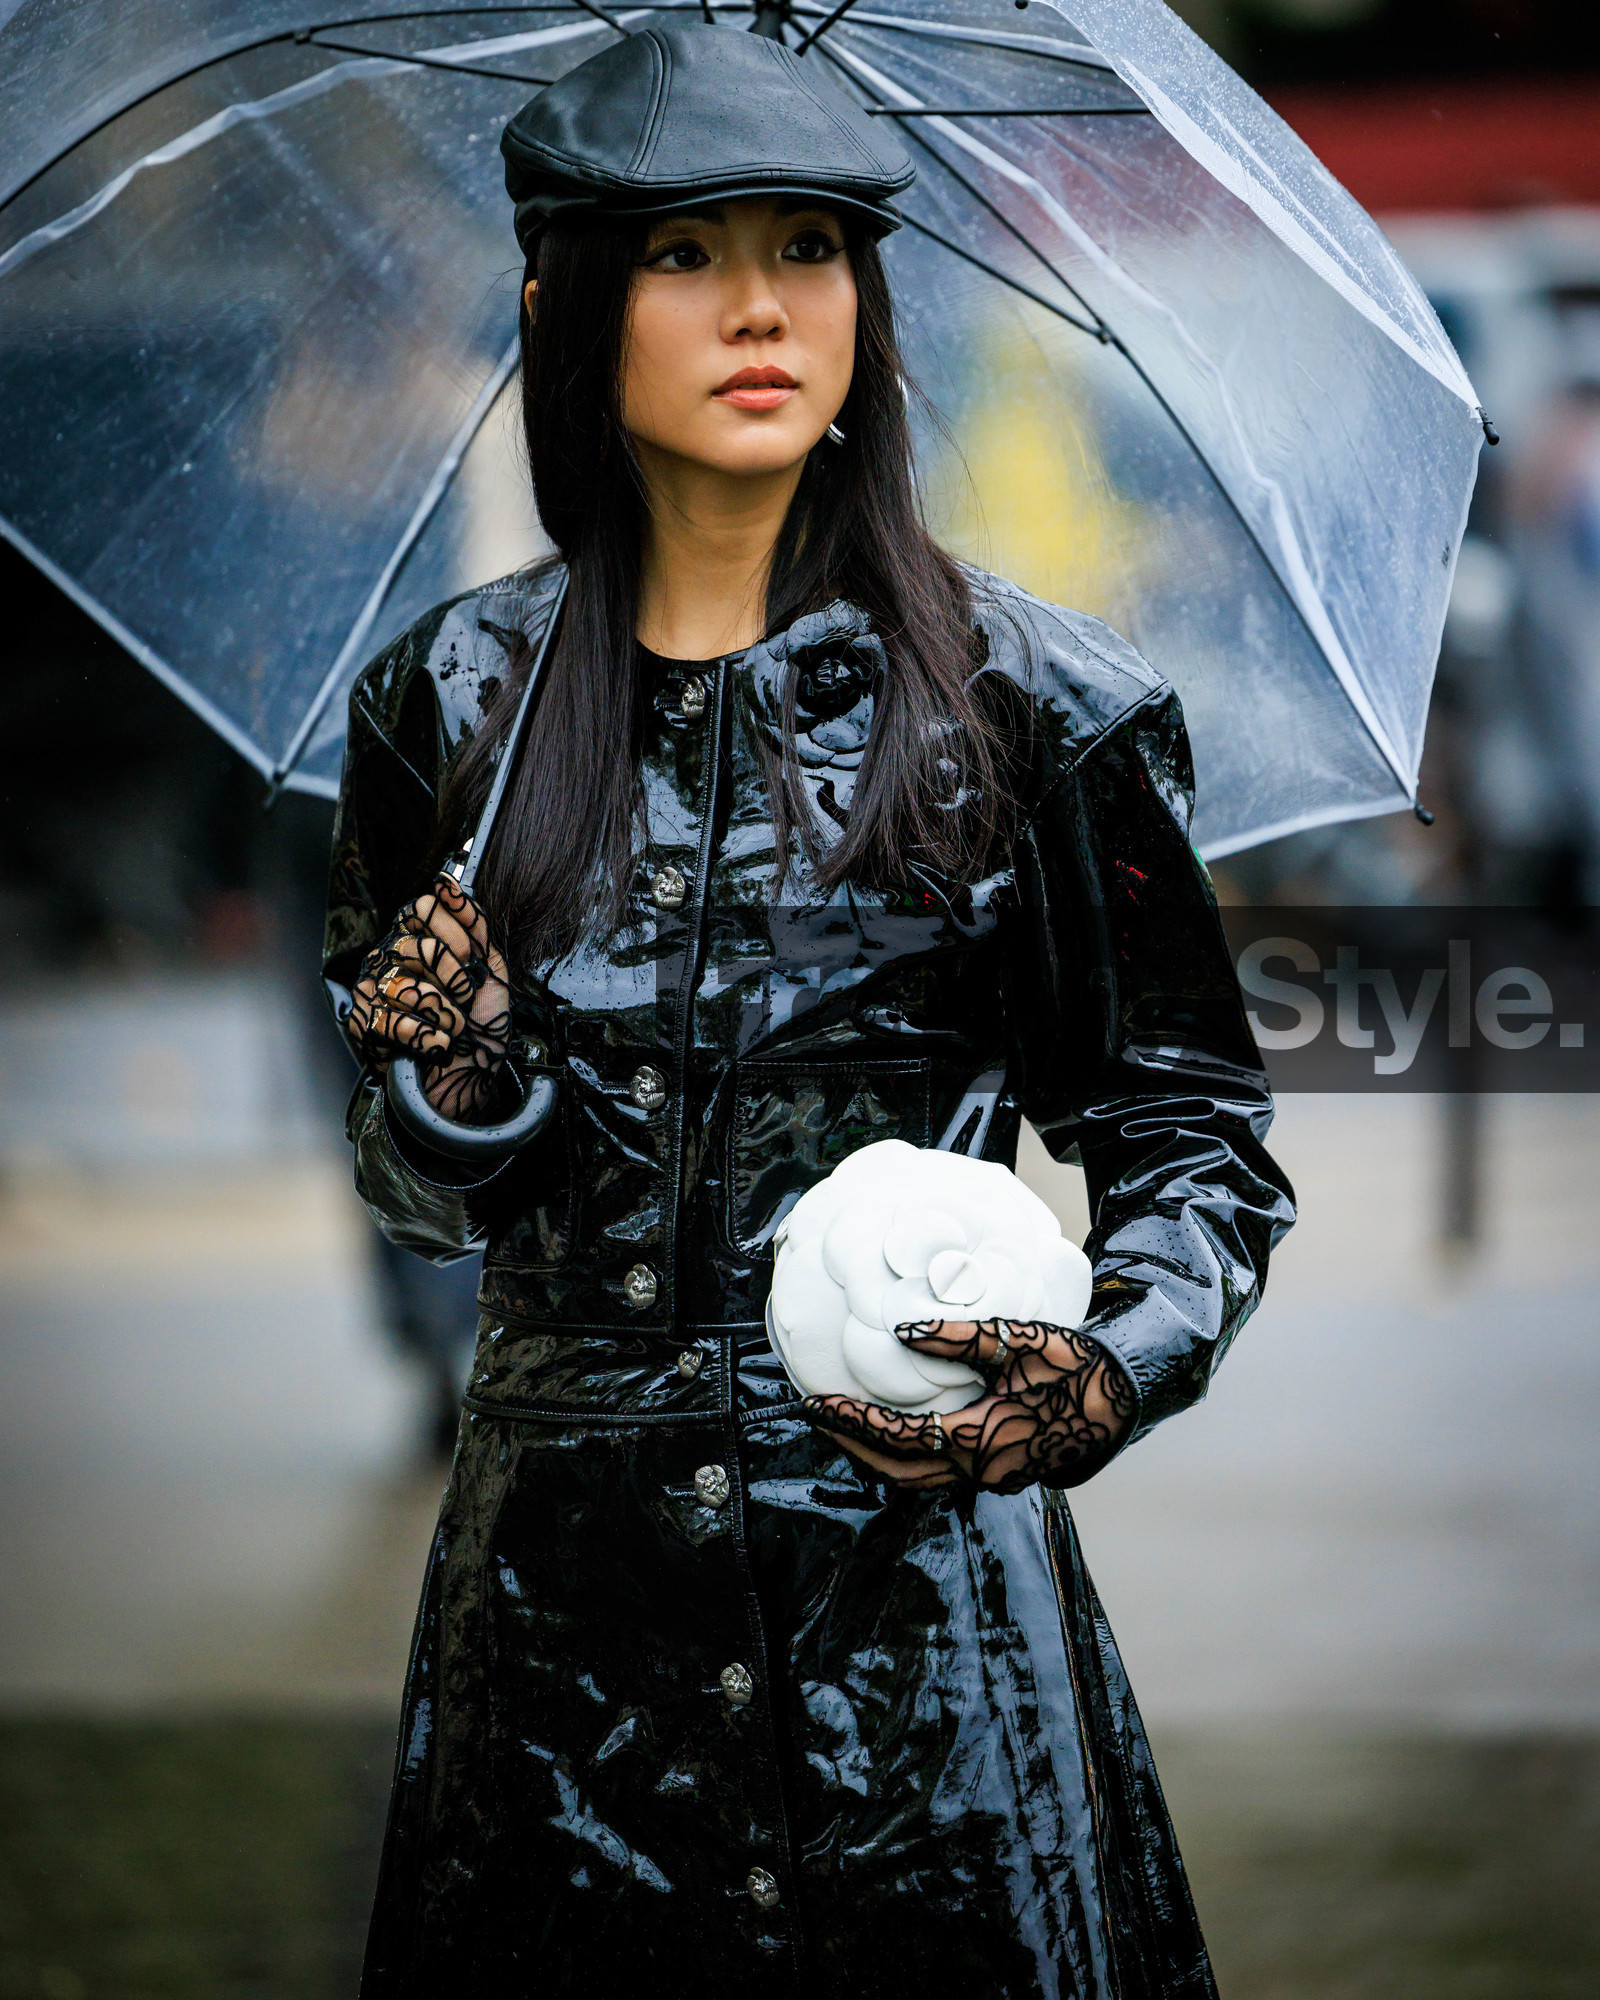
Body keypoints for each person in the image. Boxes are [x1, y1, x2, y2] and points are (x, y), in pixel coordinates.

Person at [322, 23, 1295, 1997]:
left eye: (810, 246)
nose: (760, 307)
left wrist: (1106, 1361)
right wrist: (461, 1086)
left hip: (921, 1606)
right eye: (683, 254)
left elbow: (1190, 1134)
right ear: (566, 299)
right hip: (556, 1623)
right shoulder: (453, 710)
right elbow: (421, 1201)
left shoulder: (1036, 713)